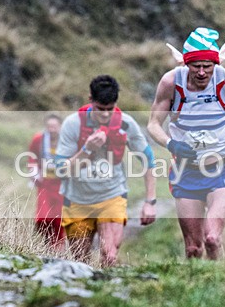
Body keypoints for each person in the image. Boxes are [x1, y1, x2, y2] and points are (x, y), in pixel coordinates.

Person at [148, 27, 225, 260]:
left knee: (212, 239)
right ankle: (197, 280)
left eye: (208, 66)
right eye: (196, 66)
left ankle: (219, 280)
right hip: (186, 171)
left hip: (223, 167)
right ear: (186, 63)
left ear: (216, 63)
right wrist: (172, 145)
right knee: (193, 248)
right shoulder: (171, 82)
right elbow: (153, 124)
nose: (202, 72)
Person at [55, 75, 157, 266]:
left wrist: (150, 201)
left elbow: (148, 160)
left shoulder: (126, 124)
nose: (105, 115)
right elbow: (61, 169)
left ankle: (110, 284)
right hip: (77, 199)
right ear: (90, 100)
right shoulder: (73, 124)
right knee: (80, 261)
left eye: (110, 109)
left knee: (109, 256)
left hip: (112, 196)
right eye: (100, 109)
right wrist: (87, 150)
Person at [27, 113, 66, 251]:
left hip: (61, 184)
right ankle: (48, 240)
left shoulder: (67, 141)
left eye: (55, 126)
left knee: (58, 217)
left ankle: (57, 247)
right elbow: (32, 156)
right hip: (45, 183)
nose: (52, 129)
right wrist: (33, 171)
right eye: (49, 126)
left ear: (60, 127)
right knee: (42, 217)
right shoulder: (39, 139)